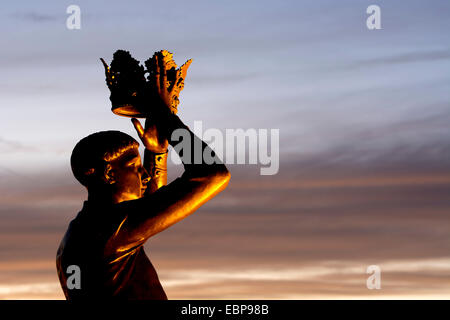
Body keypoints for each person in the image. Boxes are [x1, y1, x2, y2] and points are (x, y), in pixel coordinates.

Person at [56, 53, 230, 299]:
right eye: (135, 166)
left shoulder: (87, 229)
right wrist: (163, 114)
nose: (145, 174)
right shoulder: (109, 229)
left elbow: (153, 206)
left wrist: (156, 151)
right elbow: (212, 174)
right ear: (109, 173)